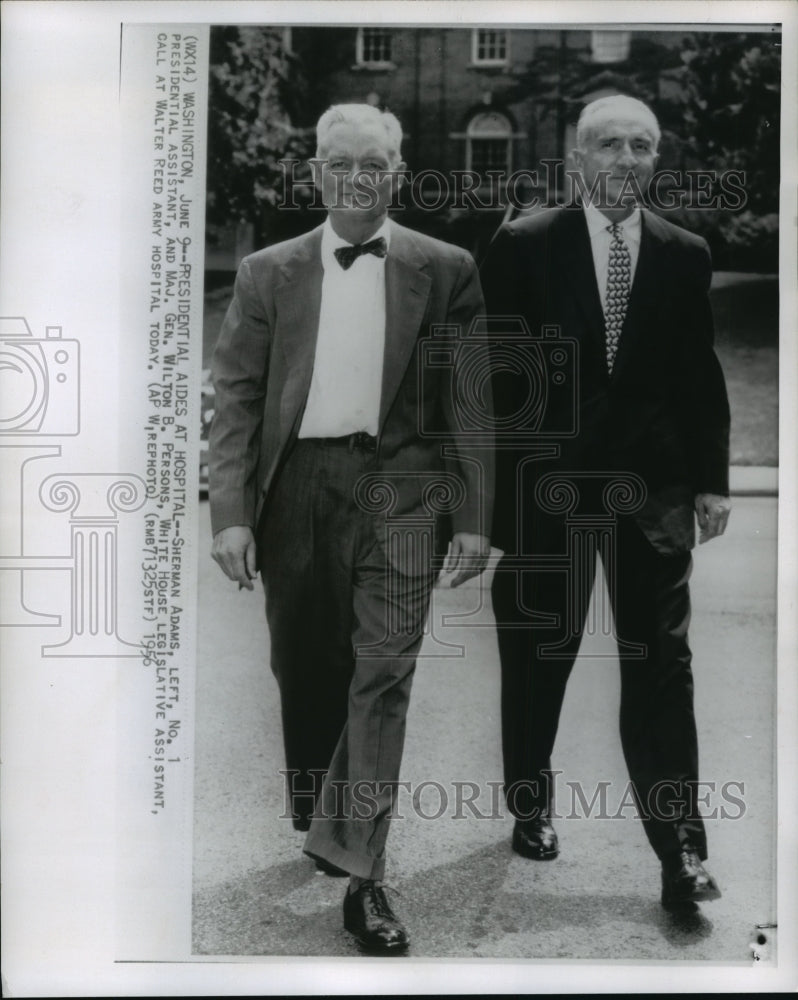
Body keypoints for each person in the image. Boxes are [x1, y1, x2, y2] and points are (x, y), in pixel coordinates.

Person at [208, 103, 492, 951]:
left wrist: (475, 520)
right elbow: (238, 401)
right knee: (306, 664)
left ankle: (362, 871)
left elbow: (471, 405)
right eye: (341, 164)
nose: (358, 179)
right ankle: (319, 799)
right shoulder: (268, 273)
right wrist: (230, 517)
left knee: (383, 674)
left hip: (403, 491)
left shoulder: (447, 270)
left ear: (399, 172)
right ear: (317, 173)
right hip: (298, 490)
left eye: (375, 164)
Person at [479, 94, 731, 908]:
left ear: (656, 159)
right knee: (537, 652)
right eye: (611, 145)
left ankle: (680, 849)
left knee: (661, 663)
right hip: (547, 489)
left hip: (650, 492)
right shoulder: (524, 245)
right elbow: (493, 381)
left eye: (643, 146)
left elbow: (700, 373)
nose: (628, 158)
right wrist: (488, 506)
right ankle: (531, 801)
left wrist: (712, 478)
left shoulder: (683, 252)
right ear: (579, 159)